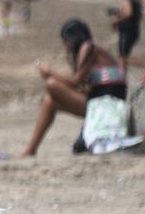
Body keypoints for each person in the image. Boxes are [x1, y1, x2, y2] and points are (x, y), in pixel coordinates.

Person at [21, 19, 126, 157]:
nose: (66, 45)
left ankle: (30, 150)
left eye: (66, 40)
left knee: (51, 84)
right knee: (49, 102)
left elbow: (75, 82)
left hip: (108, 104)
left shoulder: (88, 47)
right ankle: (30, 150)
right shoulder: (90, 48)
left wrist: (49, 72)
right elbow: (81, 85)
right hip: (100, 101)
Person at [110, 0, 142, 71]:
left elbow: (129, 13)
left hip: (127, 31)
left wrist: (116, 20)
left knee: (123, 57)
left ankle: (122, 78)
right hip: (133, 30)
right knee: (124, 55)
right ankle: (123, 75)